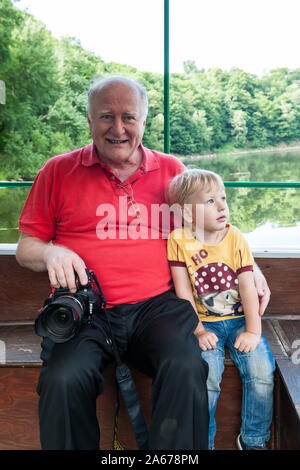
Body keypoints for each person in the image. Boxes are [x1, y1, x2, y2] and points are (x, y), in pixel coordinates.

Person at [16, 76, 270, 450]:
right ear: (89, 120)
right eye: (106, 116)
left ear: (144, 123)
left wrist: (253, 268)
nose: (118, 128)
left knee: (187, 367)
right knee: (63, 379)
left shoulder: (172, 171)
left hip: (159, 307)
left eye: (128, 117)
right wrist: (52, 251)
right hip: (84, 308)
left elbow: (213, 230)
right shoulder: (57, 171)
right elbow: (26, 247)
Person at [167, 168, 275, 450]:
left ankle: (253, 441)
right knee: (207, 376)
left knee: (262, 370)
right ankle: (203, 444)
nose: (223, 206)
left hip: (241, 319)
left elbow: (248, 287)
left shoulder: (235, 236)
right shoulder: (179, 241)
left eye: (223, 198)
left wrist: (253, 331)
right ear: (189, 214)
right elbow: (183, 292)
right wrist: (199, 331)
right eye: (211, 201)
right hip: (204, 322)